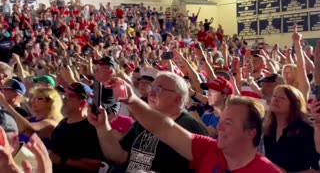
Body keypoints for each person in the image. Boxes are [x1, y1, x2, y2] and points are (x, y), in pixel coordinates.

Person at [105, 72, 282, 173]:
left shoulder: (266, 170)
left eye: (228, 123)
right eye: (222, 120)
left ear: (250, 132)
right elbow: (164, 127)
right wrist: (131, 100)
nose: (219, 126)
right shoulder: (208, 149)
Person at [89, 71, 208, 173]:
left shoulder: (191, 128)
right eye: (151, 88)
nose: (151, 92)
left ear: (178, 99)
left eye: (159, 89)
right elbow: (120, 156)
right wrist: (101, 126)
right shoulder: (144, 121)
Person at [49, 82, 106, 173]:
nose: (64, 98)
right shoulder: (63, 123)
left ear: (83, 103)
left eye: (70, 96)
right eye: (65, 94)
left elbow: (99, 165)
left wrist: (61, 160)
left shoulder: (90, 128)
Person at [264, 85, 320, 172]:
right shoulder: (267, 131)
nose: (275, 99)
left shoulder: (307, 131)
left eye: (282, 98)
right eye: (274, 96)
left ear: (294, 104)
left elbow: (315, 169)